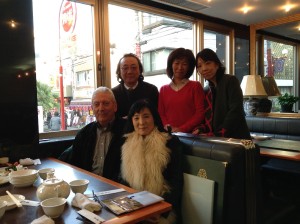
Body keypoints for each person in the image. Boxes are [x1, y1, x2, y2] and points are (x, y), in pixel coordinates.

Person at [120, 99, 184, 224]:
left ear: (154, 118)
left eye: (146, 117)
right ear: (131, 121)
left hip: (161, 209)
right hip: (133, 207)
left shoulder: (169, 142)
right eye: (136, 118)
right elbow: (122, 179)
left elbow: (176, 181)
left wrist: (160, 210)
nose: (141, 122)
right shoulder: (126, 143)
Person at [69, 86, 126, 181]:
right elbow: (75, 168)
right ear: (92, 108)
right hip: (88, 187)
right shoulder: (83, 134)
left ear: (115, 106)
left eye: (106, 103)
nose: (101, 108)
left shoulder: (127, 131)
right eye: (96, 104)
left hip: (116, 188)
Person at [193, 48, 251, 139]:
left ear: (216, 64)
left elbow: (236, 111)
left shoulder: (230, 81)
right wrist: (201, 129)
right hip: (217, 142)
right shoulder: (206, 90)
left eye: (208, 63)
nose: (204, 69)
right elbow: (207, 118)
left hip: (237, 139)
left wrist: (219, 133)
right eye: (199, 66)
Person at [158, 48, 205, 133]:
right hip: (169, 134)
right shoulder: (163, 89)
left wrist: (181, 129)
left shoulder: (195, 86)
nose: (180, 67)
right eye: (177, 63)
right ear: (171, 64)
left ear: (189, 67)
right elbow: (161, 114)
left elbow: (200, 113)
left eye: (184, 64)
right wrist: (169, 127)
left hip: (191, 135)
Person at [112, 53, 159, 118]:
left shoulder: (151, 90)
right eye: (125, 68)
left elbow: (156, 116)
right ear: (119, 72)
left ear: (140, 70)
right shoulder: (113, 93)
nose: (129, 72)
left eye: (134, 67)